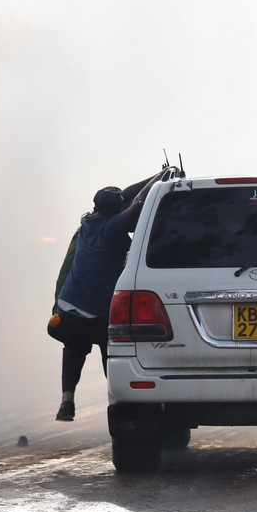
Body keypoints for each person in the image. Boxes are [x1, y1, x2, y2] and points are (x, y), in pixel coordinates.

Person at [50, 168, 172, 421]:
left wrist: (159, 173)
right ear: (118, 210)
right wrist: (160, 182)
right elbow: (136, 203)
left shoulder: (88, 222)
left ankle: (67, 402)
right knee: (113, 355)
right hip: (100, 315)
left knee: (73, 348)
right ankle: (122, 407)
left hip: (70, 308)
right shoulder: (114, 228)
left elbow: (126, 195)